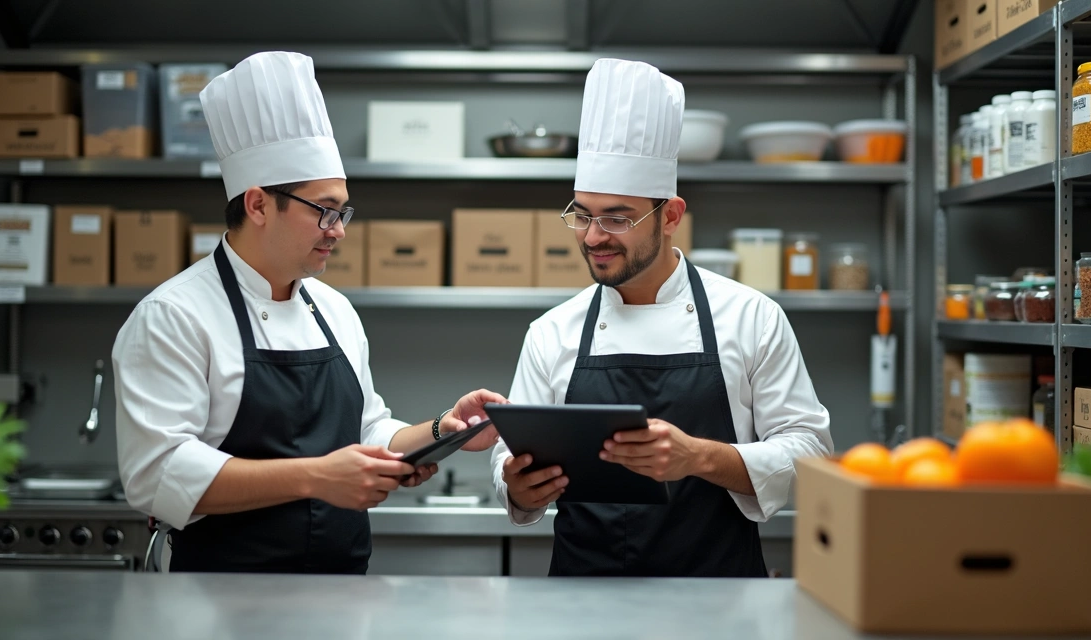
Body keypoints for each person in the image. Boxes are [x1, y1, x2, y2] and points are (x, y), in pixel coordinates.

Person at [112, 51, 504, 574]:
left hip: (342, 594)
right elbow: (156, 476)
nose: (338, 230)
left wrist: (440, 432)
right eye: (323, 210)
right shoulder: (174, 316)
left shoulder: (335, 310)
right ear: (257, 205)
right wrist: (316, 477)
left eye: (342, 211)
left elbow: (368, 431)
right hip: (218, 601)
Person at [490, 58, 833, 577]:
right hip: (580, 604)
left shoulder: (751, 317)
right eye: (582, 214)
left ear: (671, 216)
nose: (592, 236)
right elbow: (507, 457)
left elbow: (810, 455)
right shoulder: (552, 332)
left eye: (617, 217)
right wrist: (515, 483)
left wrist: (699, 458)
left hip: (719, 598)